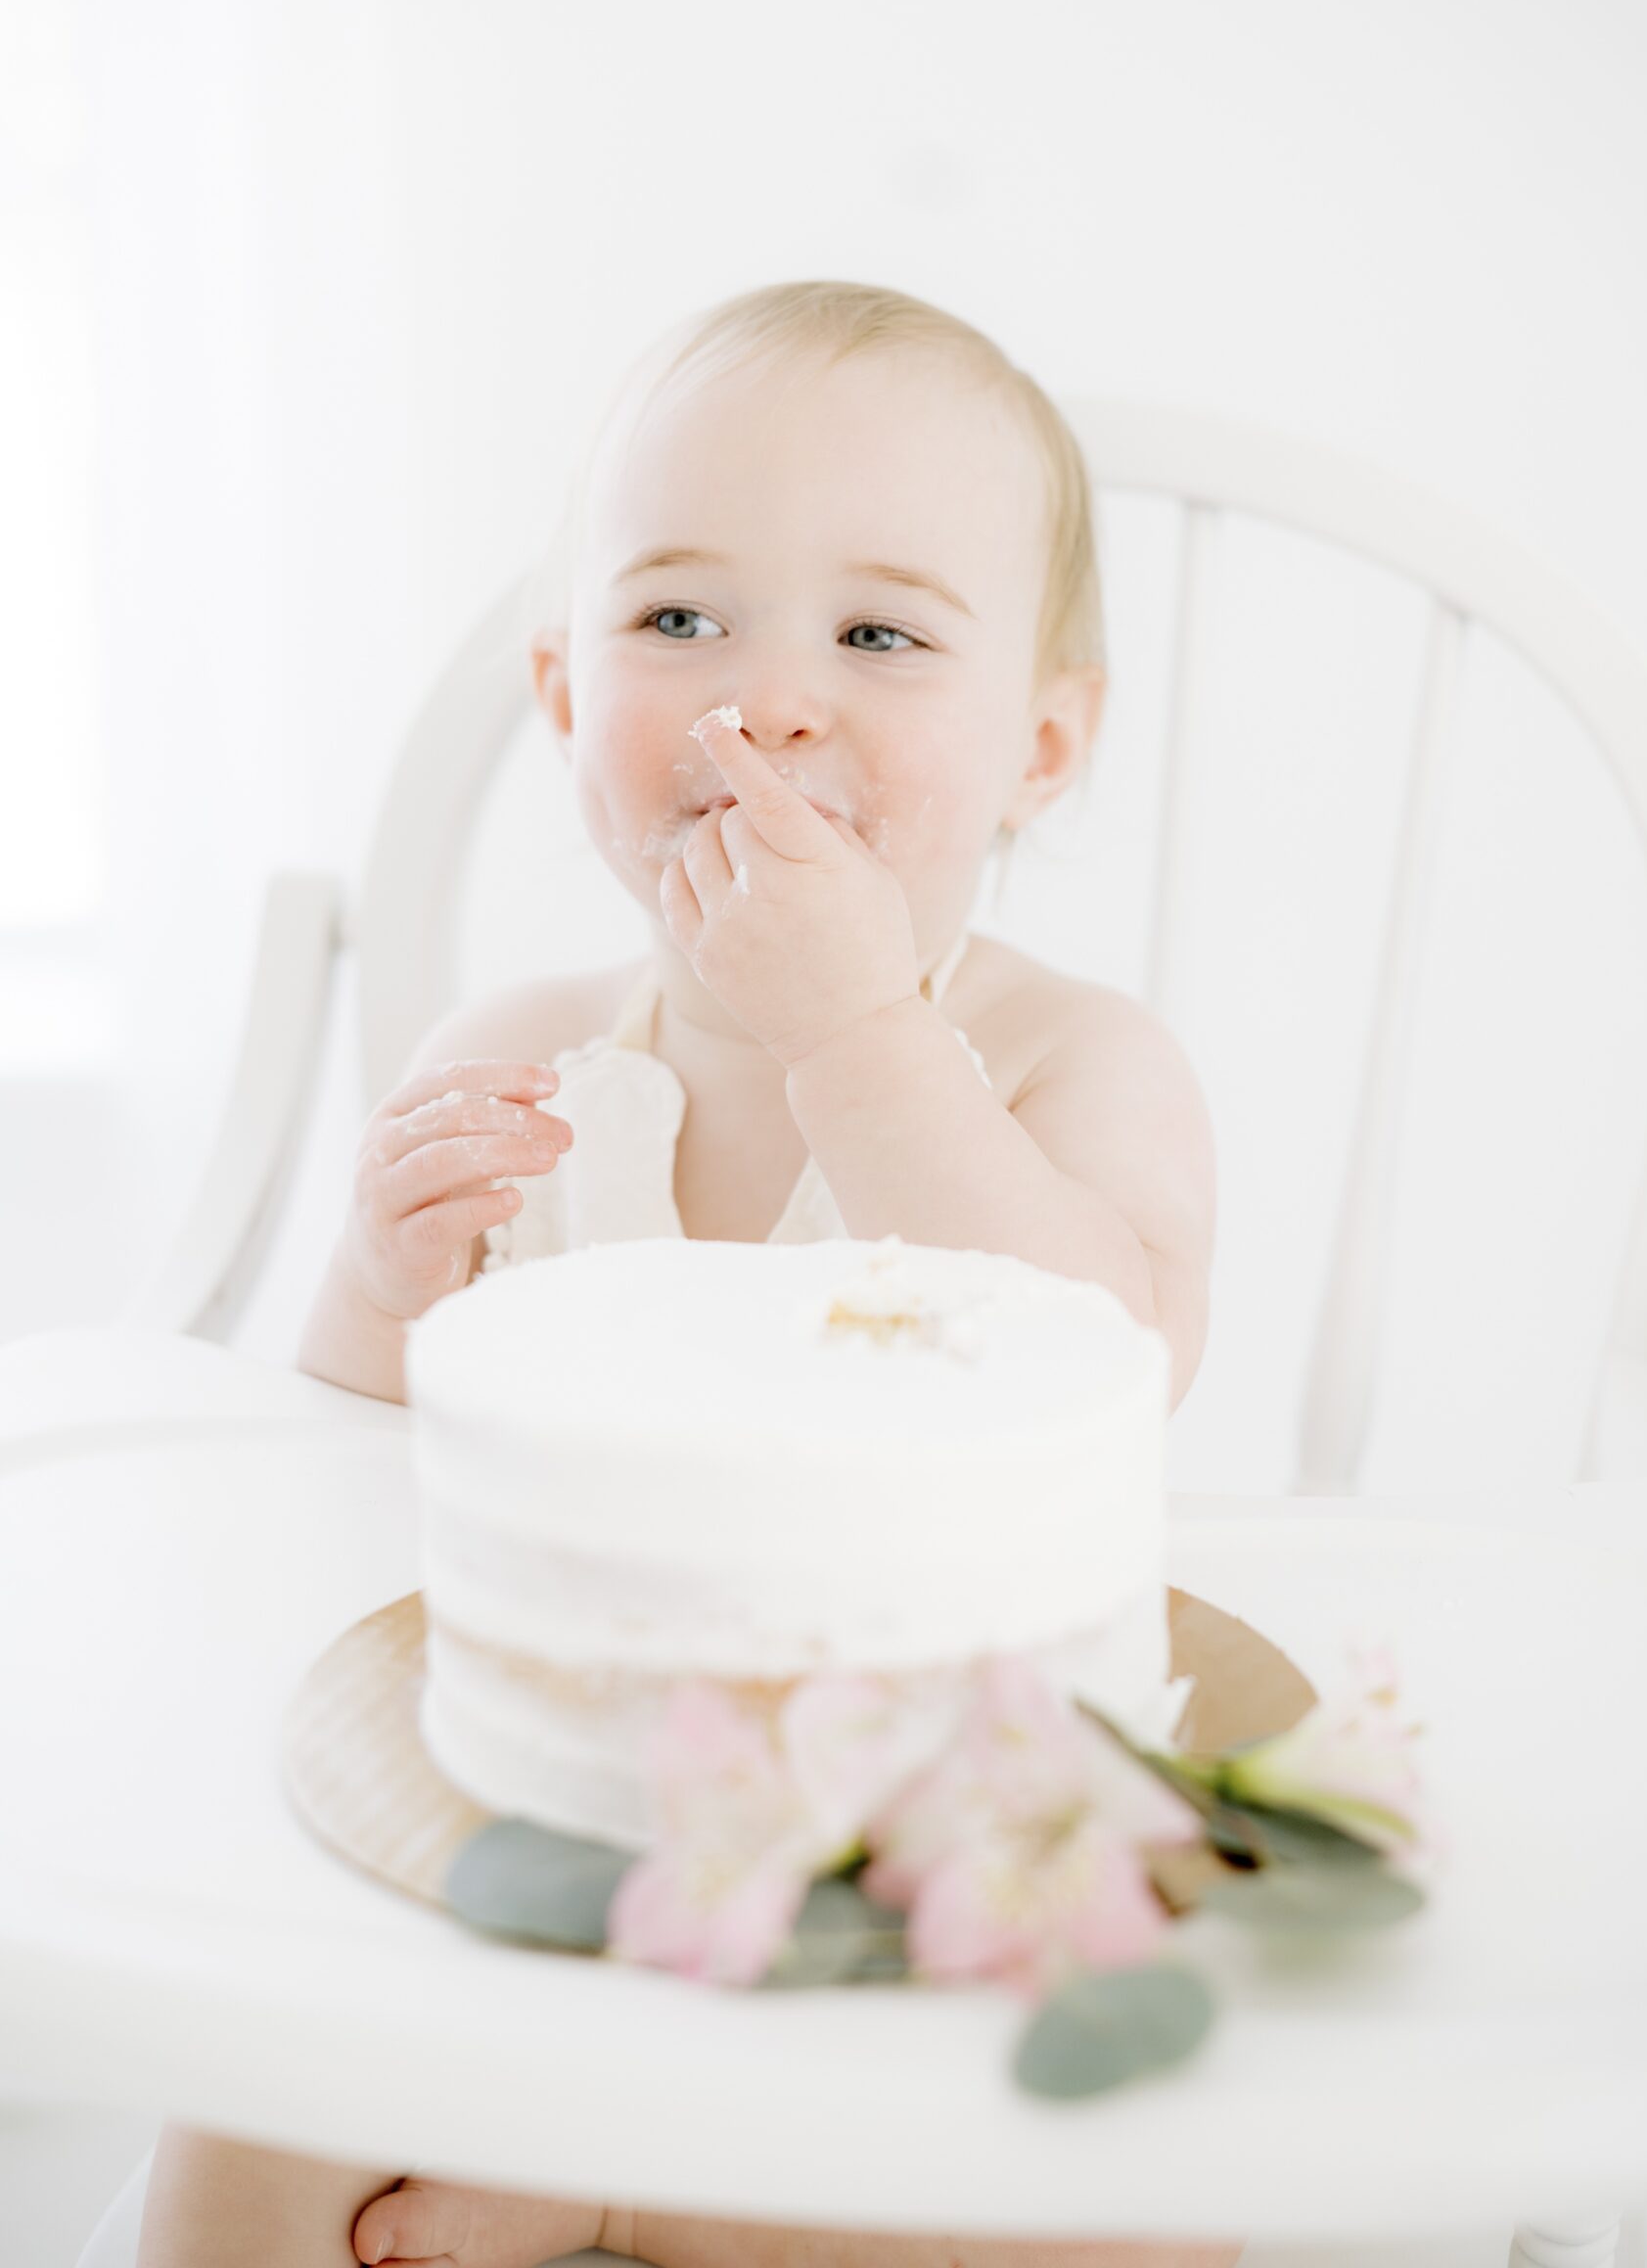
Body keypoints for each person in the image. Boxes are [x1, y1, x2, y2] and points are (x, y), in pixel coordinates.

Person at [135, 280, 1230, 2268]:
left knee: (1149, 2216)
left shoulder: (1079, 1063)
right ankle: (603, 2137)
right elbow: (335, 1477)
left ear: (1041, 744)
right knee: (234, 2130)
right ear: (566, 696)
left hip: (938, 1841)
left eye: (879, 634)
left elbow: (1114, 1359)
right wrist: (385, 1279)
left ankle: (641, 2183)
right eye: (676, 621)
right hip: (537, 1819)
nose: (767, 699)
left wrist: (865, 1038)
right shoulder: (517, 1042)